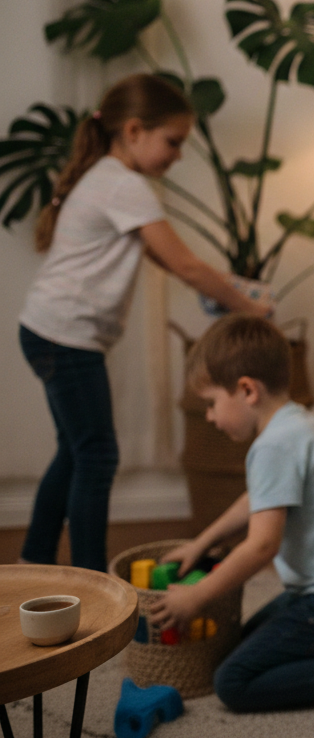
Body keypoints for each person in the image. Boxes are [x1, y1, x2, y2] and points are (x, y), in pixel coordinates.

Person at [18, 73, 270, 572]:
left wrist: (230, 289)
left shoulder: (108, 178)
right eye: (172, 141)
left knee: (75, 450)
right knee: (97, 455)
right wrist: (250, 308)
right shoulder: (124, 184)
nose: (178, 155)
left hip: (47, 330)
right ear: (133, 131)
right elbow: (186, 266)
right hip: (66, 336)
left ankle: (35, 558)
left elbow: (166, 259)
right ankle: (94, 580)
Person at [150, 314, 314, 711]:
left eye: (211, 403)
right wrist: (202, 543)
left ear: (247, 390)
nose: (209, 416)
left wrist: (196, 596)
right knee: (242, 643)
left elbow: (262, 547)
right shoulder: (294, 422)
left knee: (234, 680)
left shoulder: (274, 446)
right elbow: (260, 497)